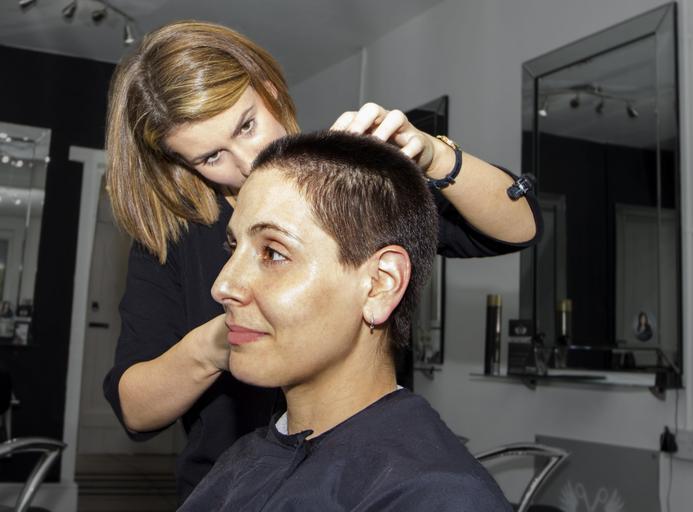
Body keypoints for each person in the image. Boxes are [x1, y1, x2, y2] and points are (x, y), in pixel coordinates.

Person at [102, 20, 541, 502]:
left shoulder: (341, 185)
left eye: (247, 125)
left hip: (361, 471)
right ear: (184, 164)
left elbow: (519, 226)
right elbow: (136, 409)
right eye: (211, 158)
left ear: (269, 90)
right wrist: (224, 338)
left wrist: (434, 156)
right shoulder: (174, 236)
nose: (247, 162)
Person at [179, 130, 511, 511]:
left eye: (273, 253)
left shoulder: (438, 496)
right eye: (233, 247)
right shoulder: (244, 459)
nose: (222, 286)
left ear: (379, 285)